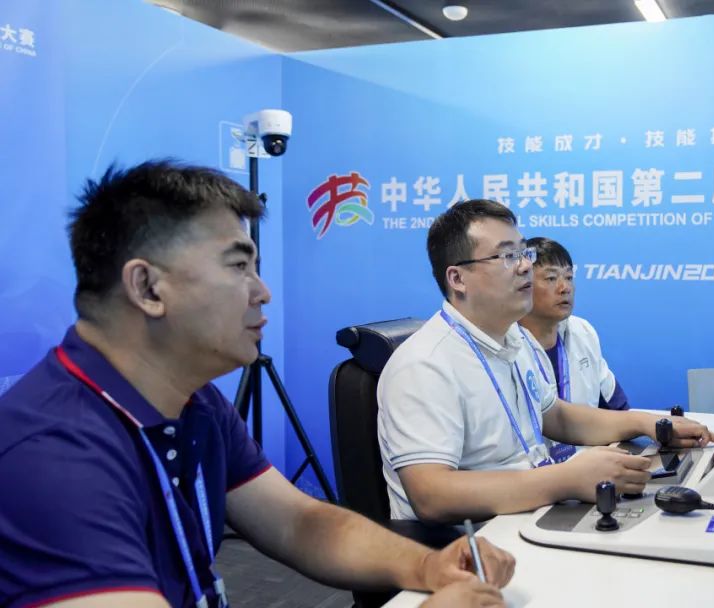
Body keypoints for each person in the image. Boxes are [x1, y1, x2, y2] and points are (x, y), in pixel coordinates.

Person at [0, 161, 514, 608]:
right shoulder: (53, 456)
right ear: (147, 287)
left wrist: (428, 566)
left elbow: (299, 523)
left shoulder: (193, 402)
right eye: (239, 266)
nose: (262, 292)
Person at [377, 200, 714, 523]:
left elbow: (556, 416)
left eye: (523, 252)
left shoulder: (512, 339)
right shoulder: (424, 364)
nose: (525, 266)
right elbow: (431, 495)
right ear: (457, 279)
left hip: (529, 514)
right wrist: (565, 479)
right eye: (508, 256)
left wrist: (647, 423)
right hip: (466, 544)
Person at [517, 237, 629, 410]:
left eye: (569, 277)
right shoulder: (506, 343)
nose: (565, 288)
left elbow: (619, 409)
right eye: (551, 278)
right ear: (523, 285)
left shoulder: (582, 332)